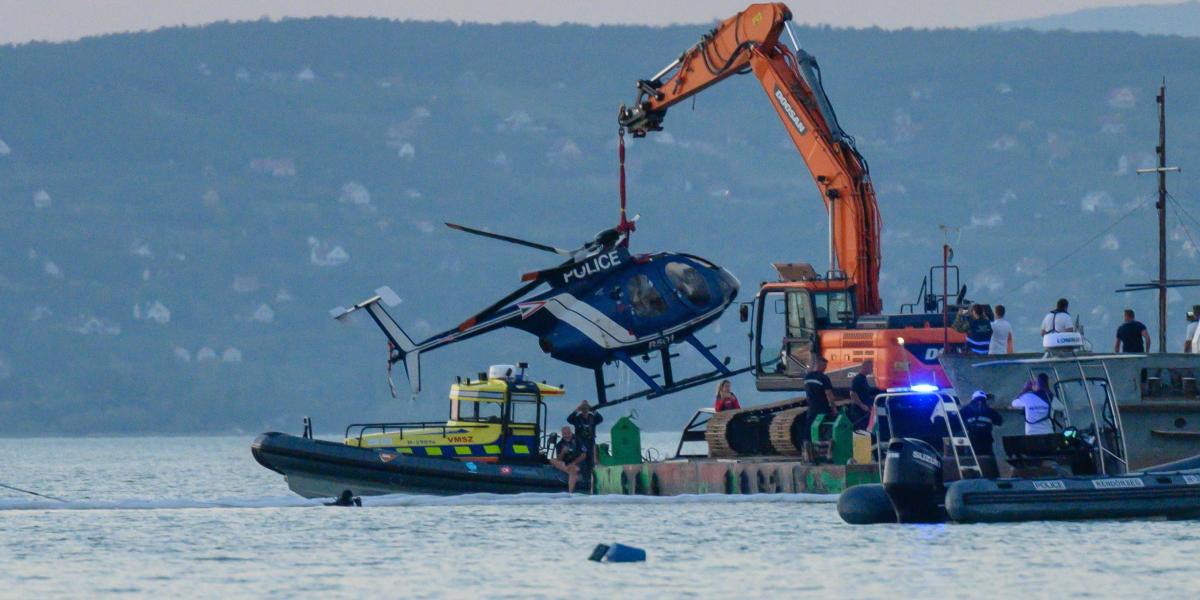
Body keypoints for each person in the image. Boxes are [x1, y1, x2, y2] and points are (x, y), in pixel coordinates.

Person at [803, 356, 838, 462]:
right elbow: (829, 395)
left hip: (811, 409)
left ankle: (808, 456)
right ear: (820, 364)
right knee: (829, 431)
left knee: (808, 433)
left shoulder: (807, 378)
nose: (825, 368)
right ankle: (828, 454)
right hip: (822, 410)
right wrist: (834, 408)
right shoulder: (823, 378)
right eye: (824, 366)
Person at [550, 426, 587, 493]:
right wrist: (563, 452)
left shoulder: (578, 441)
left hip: (578, 463)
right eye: (565, 434)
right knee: (552, 460)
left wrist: (573, 463)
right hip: (566, 463)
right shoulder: (560, 444)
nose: (567, 435)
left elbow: (583, 455)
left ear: (571, 433)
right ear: (562, 434)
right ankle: (570, 472)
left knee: (573, 469)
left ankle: (570, 492)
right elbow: (559, 459)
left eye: (568, 433)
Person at [848, 361, 880, 429]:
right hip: (858, 411)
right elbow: (852, 393)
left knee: (864, 429)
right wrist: (862, 405)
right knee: (860, 430)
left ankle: (864, 440)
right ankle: (861, 440)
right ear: (865, 367)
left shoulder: (864, 378)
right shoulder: (857, 379)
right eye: (871, 367)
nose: (872, 369)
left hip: (864, 410)